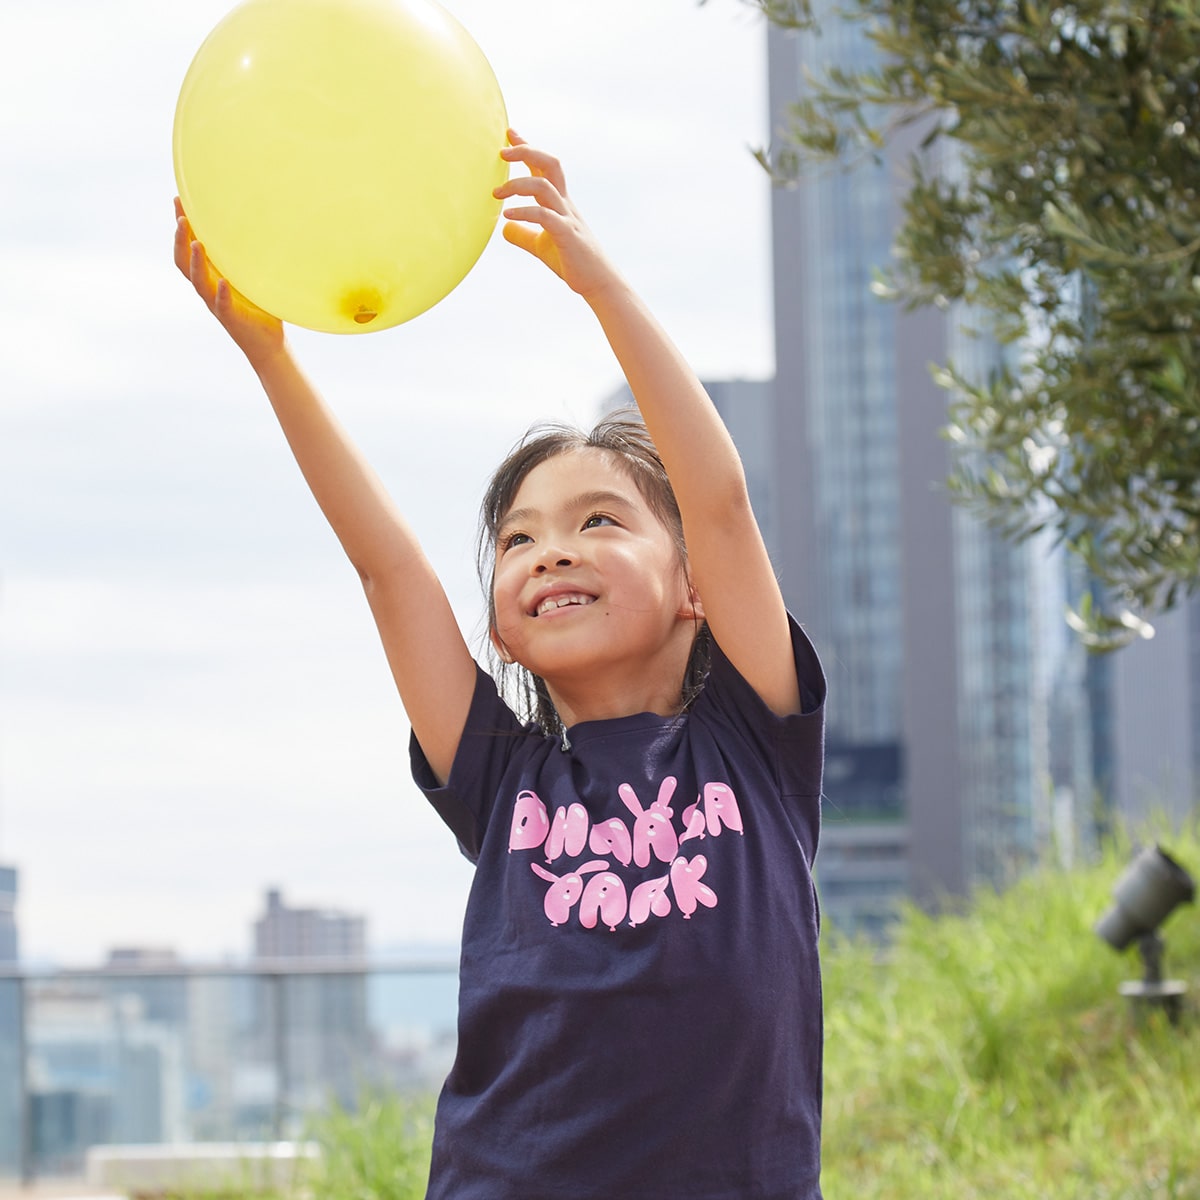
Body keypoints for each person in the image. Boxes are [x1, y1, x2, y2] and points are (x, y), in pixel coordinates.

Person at [174, 130, 826, 1200]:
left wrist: (597, 280)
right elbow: (389, 568)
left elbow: (718, 500)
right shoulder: (499, 774)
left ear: (695, 586)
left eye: (599, 520)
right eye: (518, 540)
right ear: (501, 626)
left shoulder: (755, 737)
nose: (550, 550)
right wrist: (273, 359)